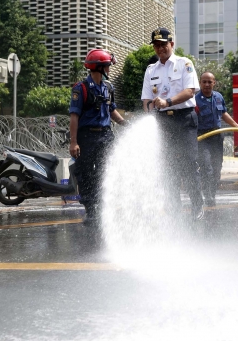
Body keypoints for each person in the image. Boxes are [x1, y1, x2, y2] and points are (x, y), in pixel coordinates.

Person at [141, 27, 204, 220]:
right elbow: (146, 100)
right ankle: (174, 208)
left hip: (184, 118)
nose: (160, 49)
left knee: (189, 162)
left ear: (171, 44)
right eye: (156, 46)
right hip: (163, 122)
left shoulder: (184, 63)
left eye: (163, 45)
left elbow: (190, 91)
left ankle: (197, 204)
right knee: (168, 166)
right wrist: (149, 109)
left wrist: (167, 102)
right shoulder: (151, 70)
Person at [69, 48, 127, 224]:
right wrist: (73, 143)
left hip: (106, 136)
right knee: (86, 173)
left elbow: (111, 111)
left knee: (104, 171)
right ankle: (90, 208)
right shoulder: (81, 88)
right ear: (99, 67)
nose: (109, 69)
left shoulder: (108, 87)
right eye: (107, 66)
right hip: (86, 137)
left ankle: (102, 205)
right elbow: (74, 116)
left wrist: (125, 124)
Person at [195, 71, 238, 206]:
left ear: (214, 83)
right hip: (202, 137)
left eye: (209, 82)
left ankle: (212, 193)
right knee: (206, 166)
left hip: (217, 136)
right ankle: (207, 195)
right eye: (204, 82)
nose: (206, 84)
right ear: (200, 83)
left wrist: (236, 125)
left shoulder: (218, 97)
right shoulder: (194, 99)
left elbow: (223, 113)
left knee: (217, 168)